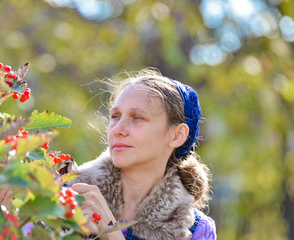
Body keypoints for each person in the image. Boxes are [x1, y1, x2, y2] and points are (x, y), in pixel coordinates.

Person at [67, 68, 216, 240]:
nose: (118, 129)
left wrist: (108, 228)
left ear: (177, 135)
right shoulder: (67, 197)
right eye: (115, 116)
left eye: (137, 117)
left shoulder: (197, 230)